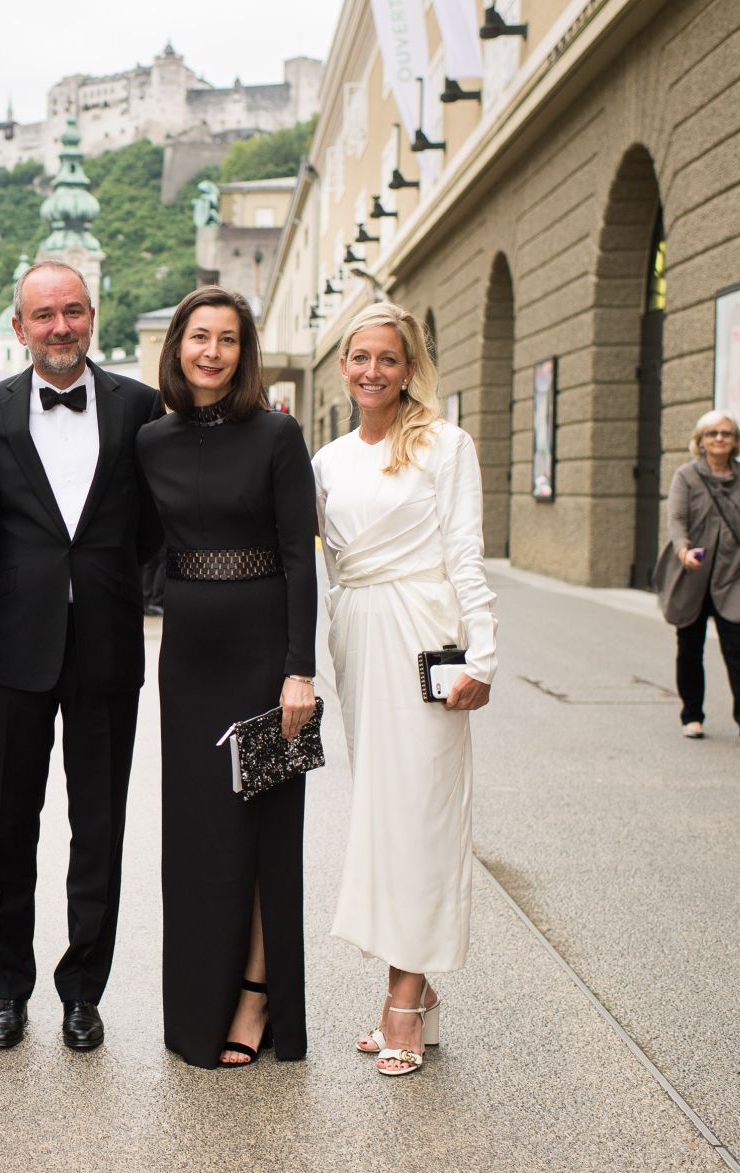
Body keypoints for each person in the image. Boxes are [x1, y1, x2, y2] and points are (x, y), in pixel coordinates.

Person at [0, 261, 161, 1053]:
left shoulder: (139, 405)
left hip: (108, 647)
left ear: (92, 316)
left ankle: (84, 991)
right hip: (13, 646)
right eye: (43, 315)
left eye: (73, 311)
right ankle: (9, 990)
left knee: (98, 828)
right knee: (8, 831)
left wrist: (120, 589)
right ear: (19, 327)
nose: (60, 327)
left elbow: (153, 523)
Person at [312, 302, 497, 1078]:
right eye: (360, 357)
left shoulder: (446, 445)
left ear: (410, 366)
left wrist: (480, 655)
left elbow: (465, 550)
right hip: (357, 632)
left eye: (388, 358)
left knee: (422, 813)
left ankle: (405, 996)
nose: (372, 371)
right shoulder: (325, 460)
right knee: (385, 813)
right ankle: (410, 983)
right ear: (344, 364)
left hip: (426, 634)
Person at [136, 287, 318, 1068]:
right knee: (200, 833)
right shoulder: (151, 441)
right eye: (199, 337)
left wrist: (298, 669)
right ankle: (198, 1004)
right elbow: (137, 544)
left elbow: (297, 558)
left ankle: (256, 992)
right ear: (177, 345)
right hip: (188, 657)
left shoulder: (278, 435)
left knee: (263, 829)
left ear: (245, 353)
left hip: (262, 652)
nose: (212, 352)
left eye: (229, 340)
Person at [654, 409, 740, 747]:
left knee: (739, 649)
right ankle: (692, 715)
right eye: (712, 434)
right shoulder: (686, 476)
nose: (719, 439)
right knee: (690, 648)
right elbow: (677, 520)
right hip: (692, 576)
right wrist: (684, 552)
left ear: (736, 441)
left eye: (726, 433)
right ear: (700, 441)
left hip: (733, 576)